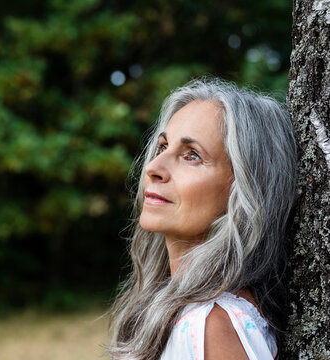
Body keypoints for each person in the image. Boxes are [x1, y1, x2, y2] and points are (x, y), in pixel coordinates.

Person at [108, 78, 296, 360]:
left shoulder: (211, 326)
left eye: (191, 156)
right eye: (163, 147)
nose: (153, 168)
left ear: (244, 188)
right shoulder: (184, 311)